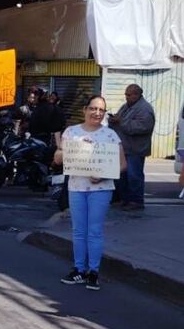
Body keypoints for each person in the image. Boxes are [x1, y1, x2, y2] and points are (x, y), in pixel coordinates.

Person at [53, 95, 126, 291]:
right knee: (78, 230)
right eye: (93, 109)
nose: (97, 113)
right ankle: (78, 269)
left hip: (101, 189)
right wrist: (62, 152)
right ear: (85, 110)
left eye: (101, 110)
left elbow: (122, 165)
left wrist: (102, 176)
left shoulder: (110, 135)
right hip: (76, 187)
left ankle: (93, 272)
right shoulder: (72, 132)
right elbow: (58, 159)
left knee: (94, 231)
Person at [109, 84, 155, 211]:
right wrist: (113, 120)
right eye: (126, 94)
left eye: (129, 95)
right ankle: (124, 199)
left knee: (134, 176)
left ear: (137, 94)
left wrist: (120, 122)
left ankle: (136, 201)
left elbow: (142, 127)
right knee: (122, 176)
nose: (126, 97)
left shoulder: (144, 108)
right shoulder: (127, 106)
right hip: (124, 147)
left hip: (135, 149)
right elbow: (119, 118)